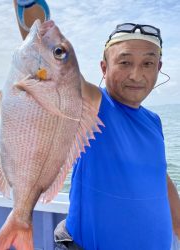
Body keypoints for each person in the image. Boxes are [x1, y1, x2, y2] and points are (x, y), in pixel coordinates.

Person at [13, 1, 180, 249]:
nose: (136, 74)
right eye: (124, 62)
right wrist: (29, 5)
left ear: (158, 68)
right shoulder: (91, 105)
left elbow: (159, 176)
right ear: (104, 67)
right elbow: (46, 55)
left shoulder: (153, 121)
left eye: (147, 63)